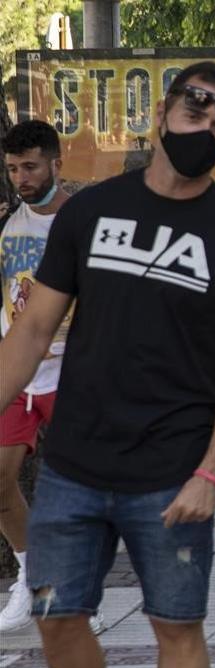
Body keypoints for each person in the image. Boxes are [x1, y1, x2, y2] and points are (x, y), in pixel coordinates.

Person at [0, 61, 215, 668]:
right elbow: (33, 330)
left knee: (176, 628)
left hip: (171, 477)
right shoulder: (89, 213)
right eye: (195, 109)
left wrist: (211, 475)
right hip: (72, 469)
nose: (207, 126)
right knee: (52, 611)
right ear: (161, 114)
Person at [0, 120, 80, 634]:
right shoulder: (10, 225)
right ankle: (30, 576)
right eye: (12, 169)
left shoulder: (84, 221)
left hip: (75, 371)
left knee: (83, 489)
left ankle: (74, 581)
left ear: (56, 161)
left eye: (30, 166)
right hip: (18, 371)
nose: (21, 178)